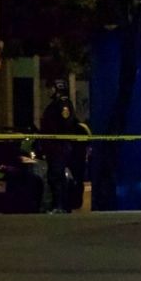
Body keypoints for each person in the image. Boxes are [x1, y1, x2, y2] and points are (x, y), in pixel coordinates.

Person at [41, 78, 80, 213]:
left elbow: (65, 123)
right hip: (53, 146)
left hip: (60, 145)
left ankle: (60, 205)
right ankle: (57, 204)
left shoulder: (63, 104)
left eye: (51, 88)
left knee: (57, 176)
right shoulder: (54, 105)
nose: (49, 91)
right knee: (53, 175)